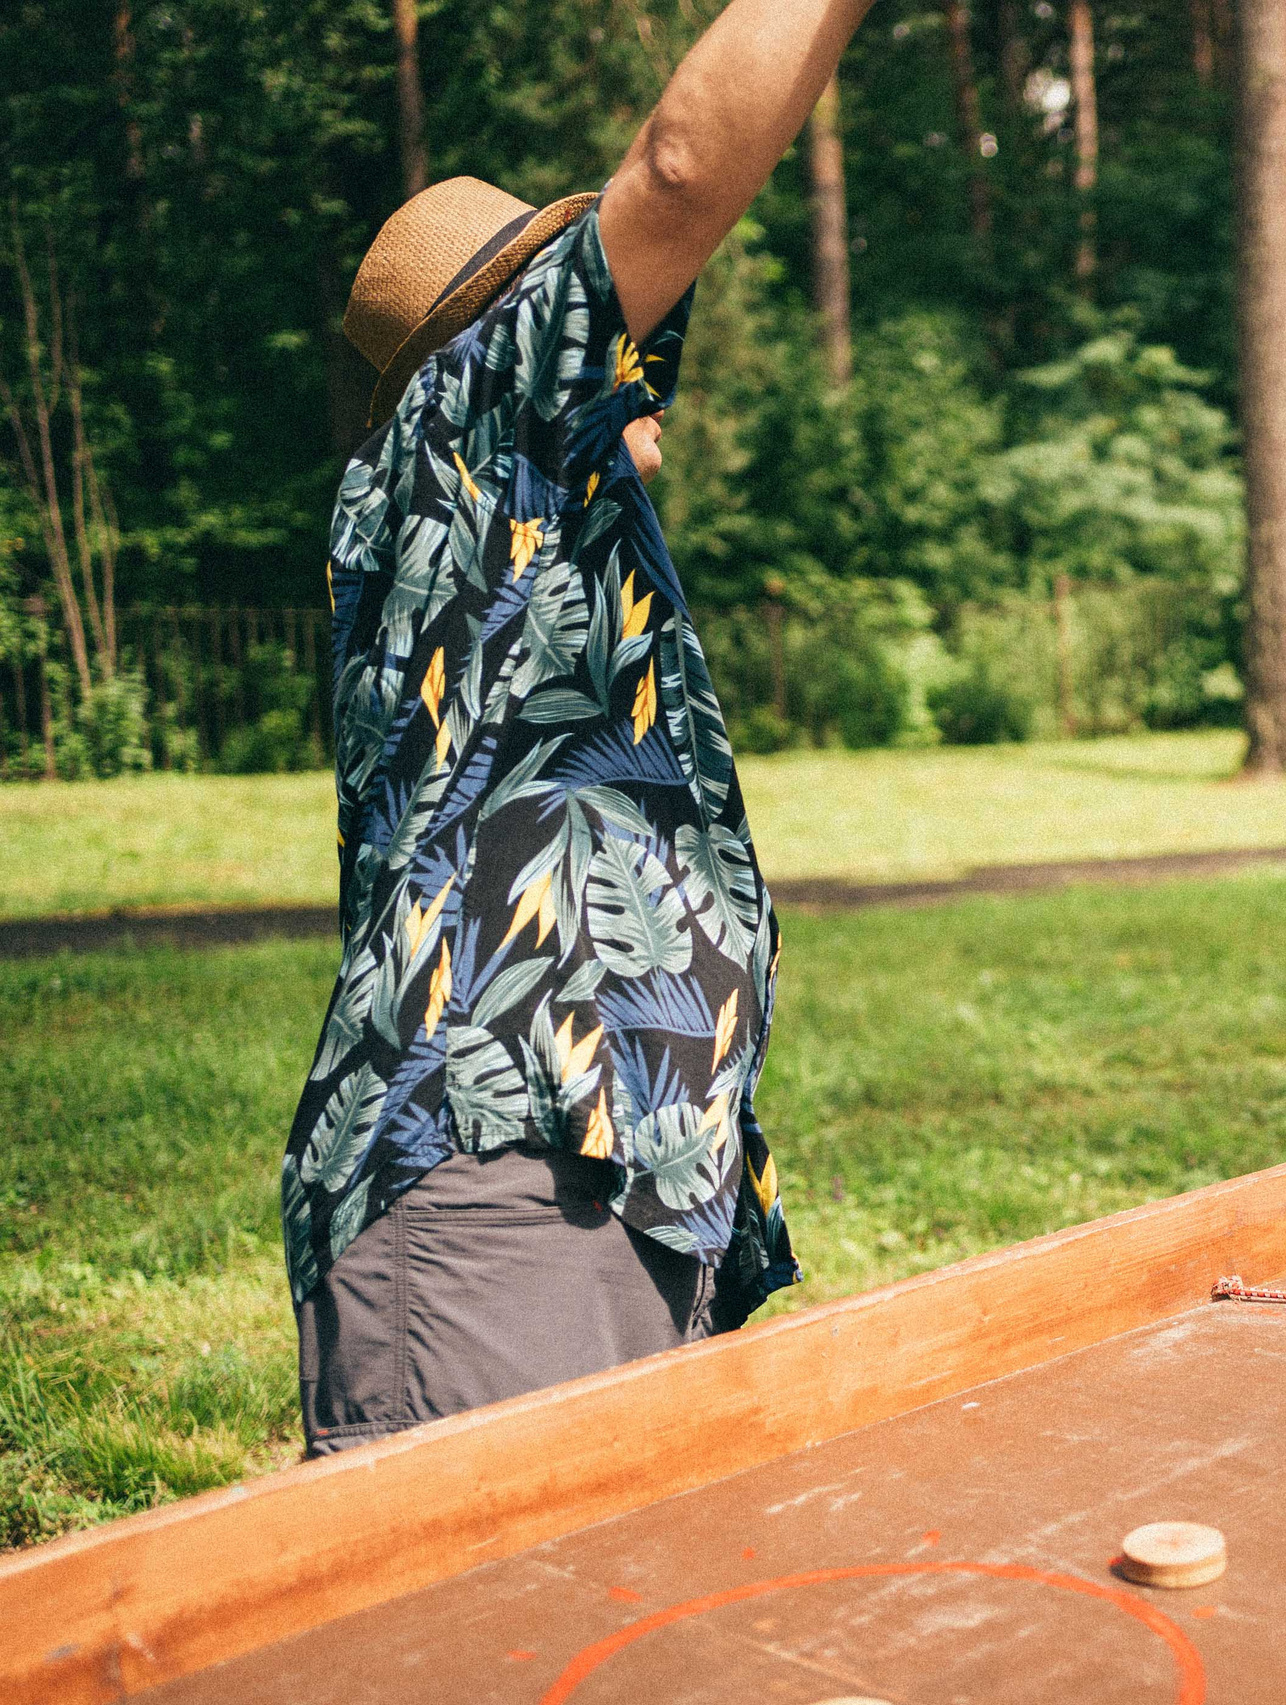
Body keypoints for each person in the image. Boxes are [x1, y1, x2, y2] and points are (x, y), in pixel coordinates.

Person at [289, 0, 881, 1454]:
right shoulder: (466, 425)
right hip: (499, 1185)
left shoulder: (522, 523)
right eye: (618, 322)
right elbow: (682, 171)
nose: (646, 355)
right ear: (517, 339)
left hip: (589, 1182)